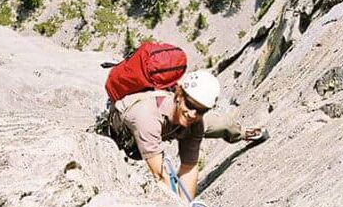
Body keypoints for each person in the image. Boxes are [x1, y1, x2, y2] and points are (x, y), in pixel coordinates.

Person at [107, 70, 266, 199]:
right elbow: (160, 175)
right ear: (178, 95)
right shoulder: (146, 118)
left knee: (218, 124)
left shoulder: (194, 119)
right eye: (190, 105)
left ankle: (243, 133)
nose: (192, 113)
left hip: (170, 122)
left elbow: (188, 167)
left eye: (201, 110)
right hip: (126, 134)